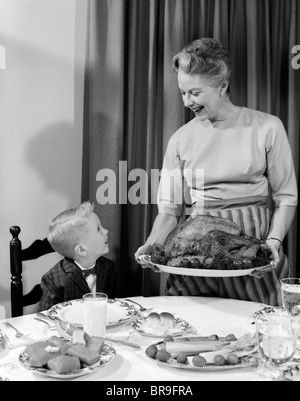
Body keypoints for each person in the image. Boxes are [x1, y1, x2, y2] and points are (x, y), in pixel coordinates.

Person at [135, 38, 298, 306]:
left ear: (222, 85)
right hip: (194, 252)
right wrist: (152, 246)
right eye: (182, 93)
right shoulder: (179, 139)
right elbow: (168, 212)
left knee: (256, 333)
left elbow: (286, 197)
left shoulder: (268, 127)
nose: (187, 102)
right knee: (189, 330)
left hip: (252, 250)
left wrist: (273, 241)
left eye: (195, 93)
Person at [39, 201, 118, 311]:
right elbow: (46, 318)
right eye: (98, 229)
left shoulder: (108, 267)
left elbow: (116, 306)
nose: (106, 231)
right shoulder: (53, 280)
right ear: (81, 249)